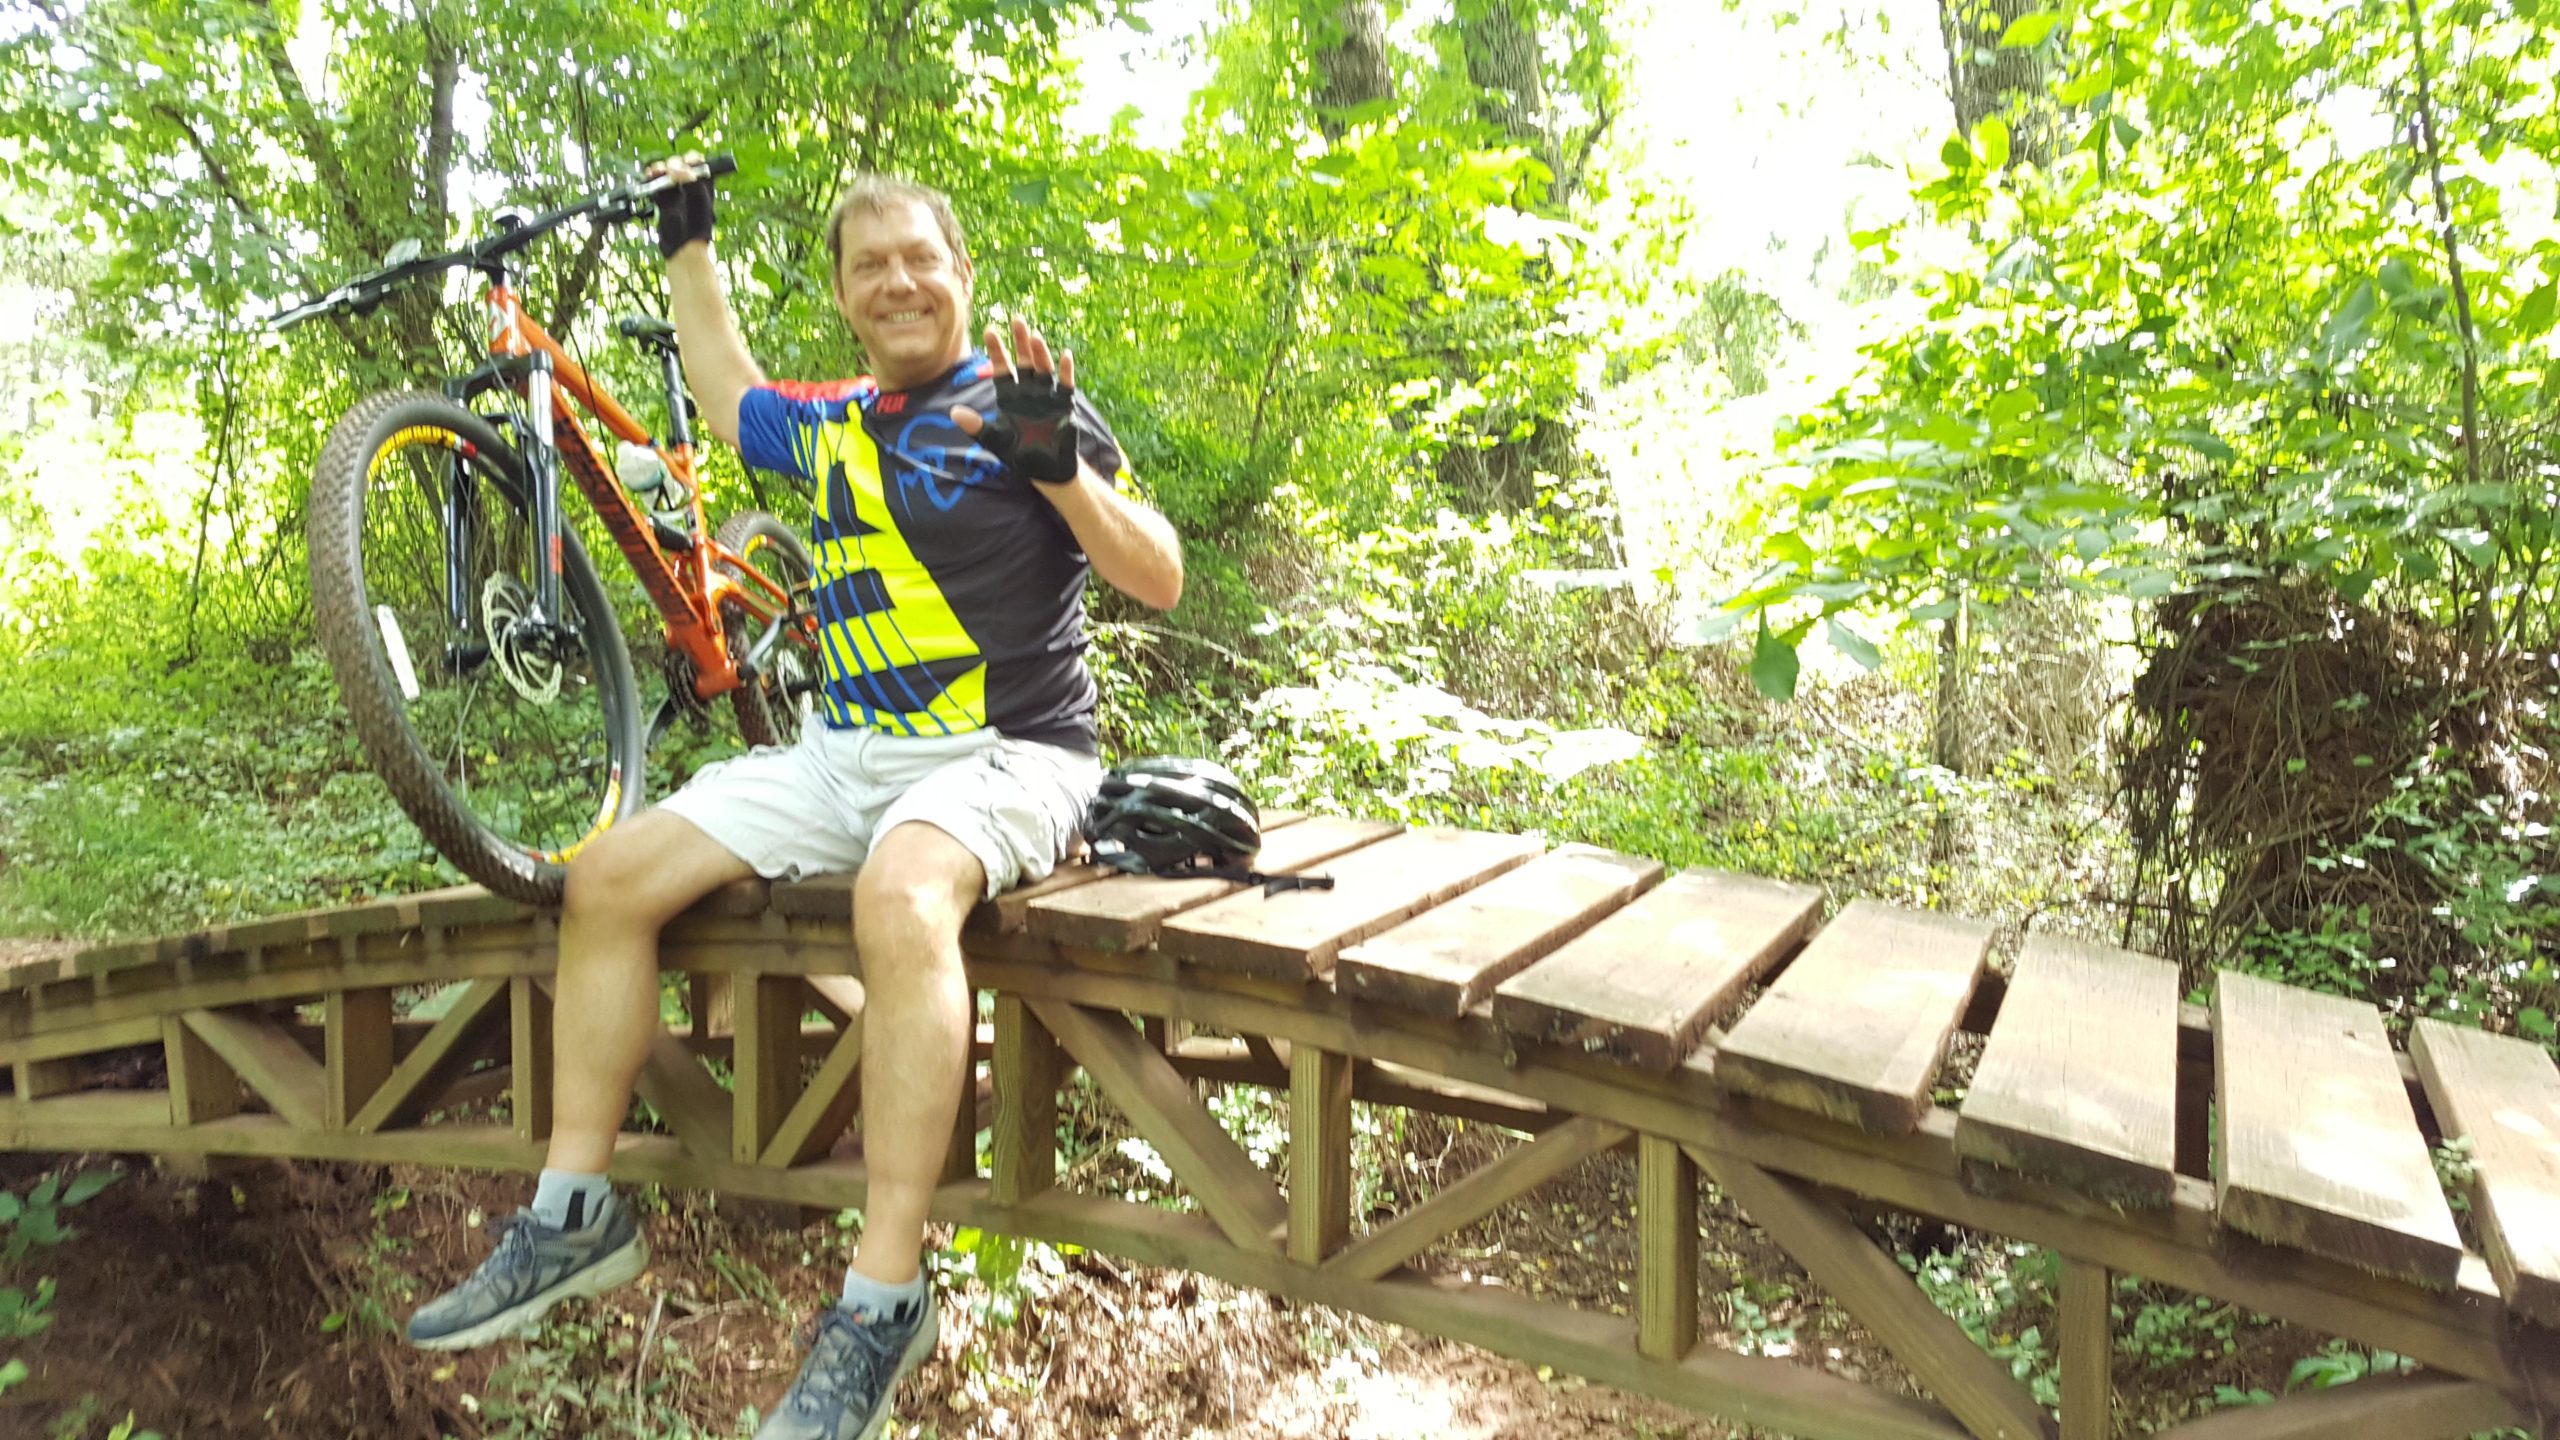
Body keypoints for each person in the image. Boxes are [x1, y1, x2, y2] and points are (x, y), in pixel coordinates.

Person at [401, 156, 1184, 1440]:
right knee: (606, 879)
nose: (899, 281)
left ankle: (881, 1298)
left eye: (919, 257)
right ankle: (572, 1214)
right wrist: (685, 227)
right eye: (869, 265)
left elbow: (1155, 576)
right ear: (845, 297)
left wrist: (1059, 466)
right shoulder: (827, 420)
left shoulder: (1020, 401)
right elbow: (723, 384)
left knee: (902, 891)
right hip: (843, 754)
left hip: (1012, 750)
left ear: (960, 272)